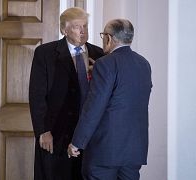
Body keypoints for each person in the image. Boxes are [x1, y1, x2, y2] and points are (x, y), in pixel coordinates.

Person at [67, 19, 153, 180]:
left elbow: (94, 107)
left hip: (105, 151)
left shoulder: (105, 64)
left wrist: (77, 142)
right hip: (134, 150)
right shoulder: (144, 64)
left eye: (103, 36)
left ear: (109, 38)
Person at [29, 7, 104, 180]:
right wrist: (43, 130)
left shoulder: (99, 54)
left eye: (85, 26)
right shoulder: (46, 53)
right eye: (78, 27)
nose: (83, 31)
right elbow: (37, 95)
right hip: (55, 134)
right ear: (64, 29)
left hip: (89, 135)